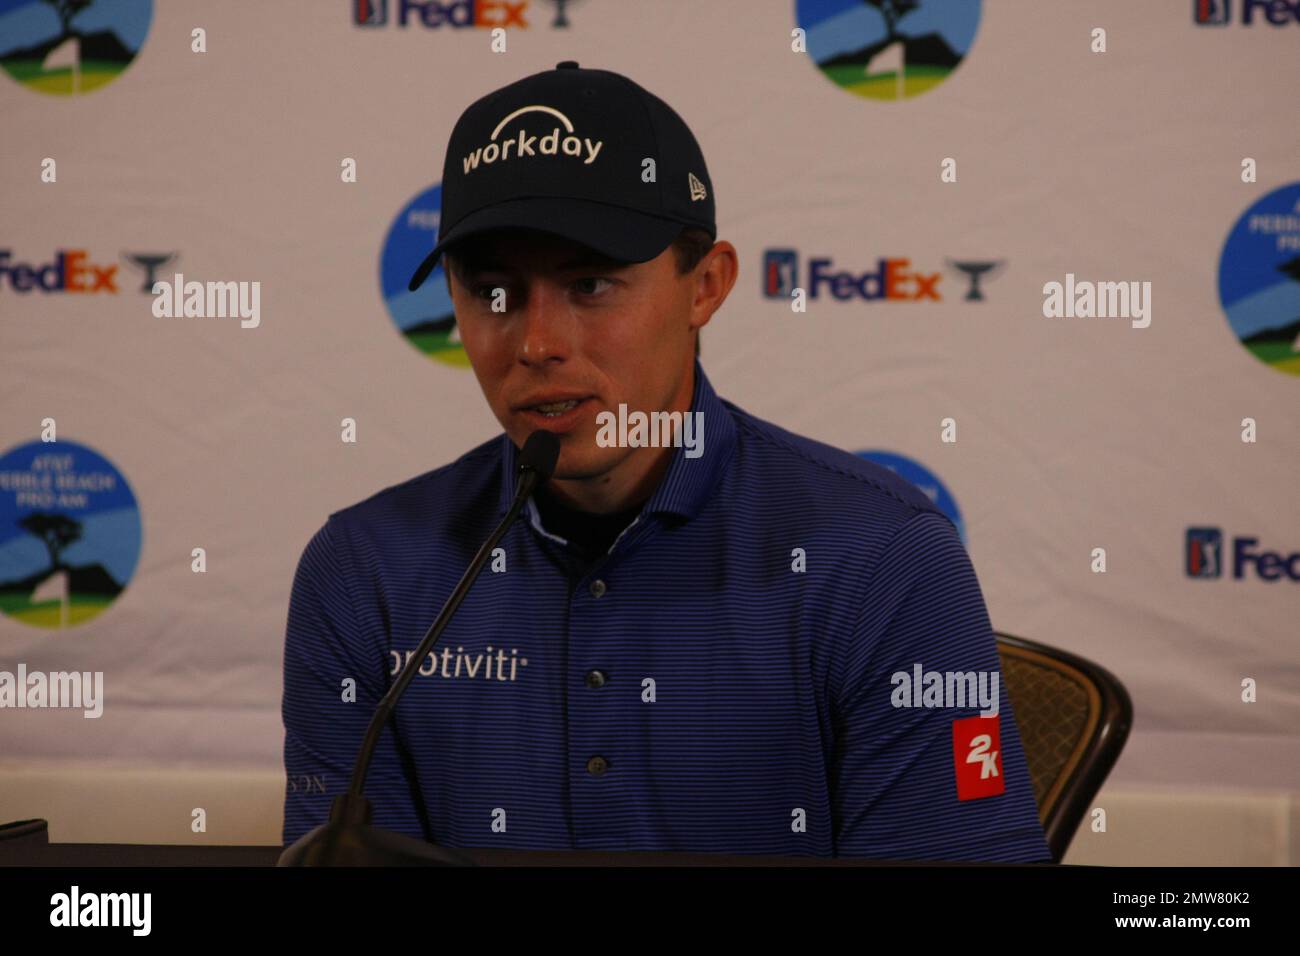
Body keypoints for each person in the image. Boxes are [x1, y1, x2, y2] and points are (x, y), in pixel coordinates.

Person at [282, 61, 1050, 862]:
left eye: (590, 284)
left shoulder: (886, 563)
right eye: (494, 293)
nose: (538, 343)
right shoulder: (361, 571)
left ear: (706, 286)